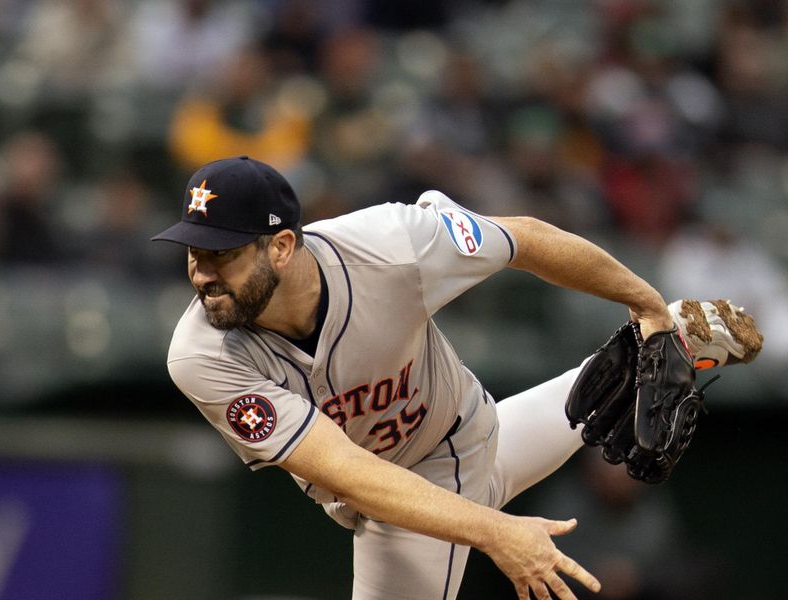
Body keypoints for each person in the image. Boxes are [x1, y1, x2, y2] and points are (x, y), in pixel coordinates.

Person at [151, 155, 755, 600]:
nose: (201, 273)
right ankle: (680, 330)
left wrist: (644, 302)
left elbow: (527, 238)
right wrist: (497, 532)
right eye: (193, 251)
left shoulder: (393, 246)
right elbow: (345, 471)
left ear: (281, 246)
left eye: (221, 254)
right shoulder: (202, 354)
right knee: (600, 389)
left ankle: (669, 324)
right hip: (437, 459)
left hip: (434, 467)